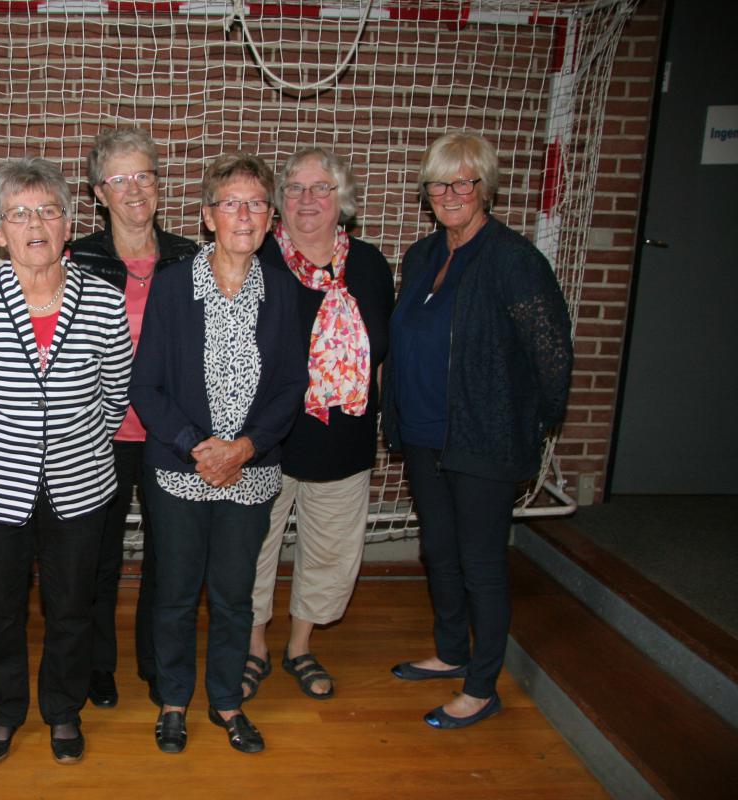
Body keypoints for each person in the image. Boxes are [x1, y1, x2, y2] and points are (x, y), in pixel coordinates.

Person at [0, 157, 132, 765]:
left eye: (47, 211)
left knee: (71, 607)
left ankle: (63, 710)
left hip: (80, 484)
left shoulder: (104, 301)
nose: (35, 224)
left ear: (68, 225)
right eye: (18, 214)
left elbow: (114, 396)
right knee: (0, 609)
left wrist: (70, 445)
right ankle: (5, 709)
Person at [381, 131, 573, 729]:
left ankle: (482, 686)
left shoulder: (514, 261)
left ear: (485, 187)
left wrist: (526, 425)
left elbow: (553, 357)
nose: (450, 194)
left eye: (463, 182)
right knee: (439, 550)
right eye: (438, 184)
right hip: (424, 433)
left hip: (485, 438)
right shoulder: (421, 256)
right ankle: (451, 651)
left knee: (482, 563)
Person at [130, 153, 307, 755]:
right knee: (176, 593)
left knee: (235, 596)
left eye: (256, 204)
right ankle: (173, 700)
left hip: (251, 475)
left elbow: (291, 387)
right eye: (231, 203)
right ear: (208, 217)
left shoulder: (283, 291)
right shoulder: (173, 286)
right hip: (180, 471)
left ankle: (227, 700)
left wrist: (246, 448)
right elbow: (145, 387)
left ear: (271, 218)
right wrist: (197, 449)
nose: (244, 215)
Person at [244, 148, 395, 701]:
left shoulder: (371, 266)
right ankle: (254, 646)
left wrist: (382, 421)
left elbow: (381, 354)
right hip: (266, 439)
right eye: (295, 188)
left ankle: (300, 645)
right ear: (279, 202)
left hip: (343, 437)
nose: (307, 199)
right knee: (254, 547)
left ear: (342, 200)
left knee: (330, 549)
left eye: (321, 188)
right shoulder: (256, 259)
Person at [67, 125, 199, 709]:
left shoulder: (189, 258)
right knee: (97, 557)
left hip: (171, 434)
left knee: (169, 558)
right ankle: (98, 666)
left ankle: (156, 662)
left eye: (144, 175)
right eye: (119, 179)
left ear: (158, 184)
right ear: (99, 192)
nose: (134, 189)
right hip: (99, 435)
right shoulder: (78, 259)